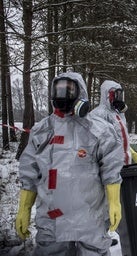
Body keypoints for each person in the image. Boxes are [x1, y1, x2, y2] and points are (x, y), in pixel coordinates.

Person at [15, 71, 123, 256]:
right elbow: (29, 173)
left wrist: (115, 203)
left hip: (91, 217)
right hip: (52, 219)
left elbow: (111, 169)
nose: (63, 96)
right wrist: (23, 209)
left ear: (80, 93)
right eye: (59, 90)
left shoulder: (99, 130)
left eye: (69, 90)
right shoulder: (42, 131)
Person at [90, 80, 137, 255]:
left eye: (121, 94)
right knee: (104, 205)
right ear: (107, 94)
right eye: (115, 94)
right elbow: (101, 145)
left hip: (123, 166)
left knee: (118, 203)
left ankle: (113, 231)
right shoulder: (97, 114)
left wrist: (132, 154)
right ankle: (101, 237)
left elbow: (121, 140)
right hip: (107, 168)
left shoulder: (119, 114)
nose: (119, 98)